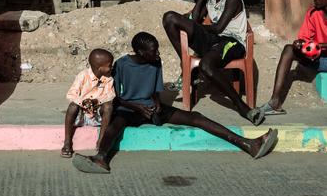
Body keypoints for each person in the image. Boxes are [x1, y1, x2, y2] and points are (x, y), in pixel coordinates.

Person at [72, 32, 277, 174]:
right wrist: (136, 107)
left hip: (150, 109)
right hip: (128, 109)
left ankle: (248, 144)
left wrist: (157, 105)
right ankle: (100, 158)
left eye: (157, 50)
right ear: (141, 52)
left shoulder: (155, 62)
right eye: (153, 51)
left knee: (195, 118)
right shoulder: (122, 65)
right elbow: (115, 96)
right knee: (114, 127)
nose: (158, 54)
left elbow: (154, 90)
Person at [161, 0, 263, 125]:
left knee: (206, 66)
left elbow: (218, 28)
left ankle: (242, 107)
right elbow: (195, 17)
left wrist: (196, 27)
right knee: (170, 18)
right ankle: (184, 63)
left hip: (232, 42)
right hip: (214, 39)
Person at [62, 48, 115, 158]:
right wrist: (83, 102)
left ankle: (101, 141)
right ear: (100, 68)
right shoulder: (83, 76)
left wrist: (97, 101)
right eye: (109, 65)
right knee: (72, 106)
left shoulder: (109, 79)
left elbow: (111, 95)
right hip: (82, 115)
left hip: (97, 115)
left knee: (108, 106)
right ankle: (67, 142)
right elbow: (70, 95)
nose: (111, 68)